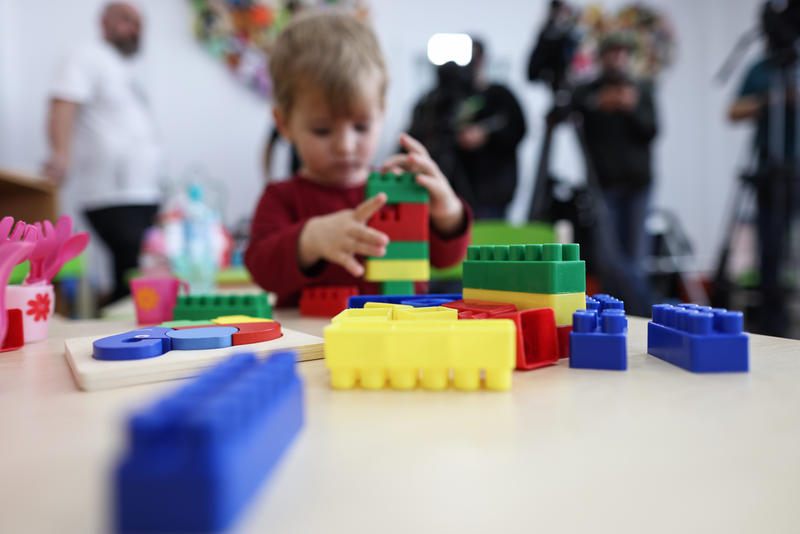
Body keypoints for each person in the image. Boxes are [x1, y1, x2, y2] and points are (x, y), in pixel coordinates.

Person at [245, 12, 472, 306]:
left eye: (361, 127)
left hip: (398, 333)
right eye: (322, 130)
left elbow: (446, 259)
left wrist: (447, 212)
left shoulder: (398, 190)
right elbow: (262, 270)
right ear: (284, 123)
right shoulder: (281, 198)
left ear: (382, 112)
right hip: (315, 342)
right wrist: (310, 240)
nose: (345, 146)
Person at [43, 2, 162, 304]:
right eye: (126, 20)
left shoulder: (126, 69)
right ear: (104, 22)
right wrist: (60, 153)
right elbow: (63, 104)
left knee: (137, 275)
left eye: (139, 22)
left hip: (142, 192)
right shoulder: (86, 56)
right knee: (130, 277)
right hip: (110, 193)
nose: (135, 28)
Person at [572, 33, 658, 316]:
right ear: (602, 56)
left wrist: (630, 109)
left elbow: (652, 130)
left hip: (638, 185)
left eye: (622, 52)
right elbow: (574, 109)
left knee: (635, 259)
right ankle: (622, 313)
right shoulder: (588, 90)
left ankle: (641, 316)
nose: (617, 58)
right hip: (603, 185)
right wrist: (600, 103)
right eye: (612, 52)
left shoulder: (643, 88)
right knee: (609, 259)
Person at [408, 40, 527, 219]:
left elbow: (518, 128)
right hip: (447, 189)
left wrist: (486, 135)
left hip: (491, 191)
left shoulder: (499, 95)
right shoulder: (436, 101)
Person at [728, 52, 797, 336]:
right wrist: (773, 99)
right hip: (769, 168)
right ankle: (772, 322)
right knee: (769, 248)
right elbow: (733, 111)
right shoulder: (761, 68)